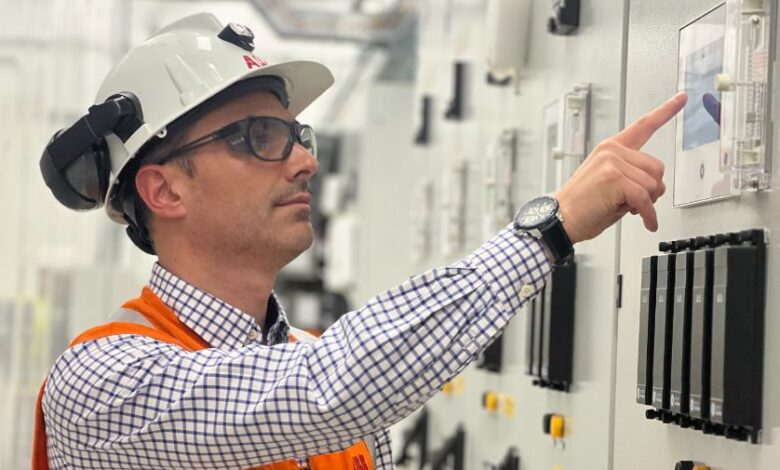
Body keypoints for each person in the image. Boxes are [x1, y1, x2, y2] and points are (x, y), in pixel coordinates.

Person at [34, 12, 685, 470]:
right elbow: (326, 389)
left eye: (298, 136)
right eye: (260, 137)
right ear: (165, 190)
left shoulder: (314, 365)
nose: (304, 162)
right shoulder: (101, 382)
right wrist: (548, 229)